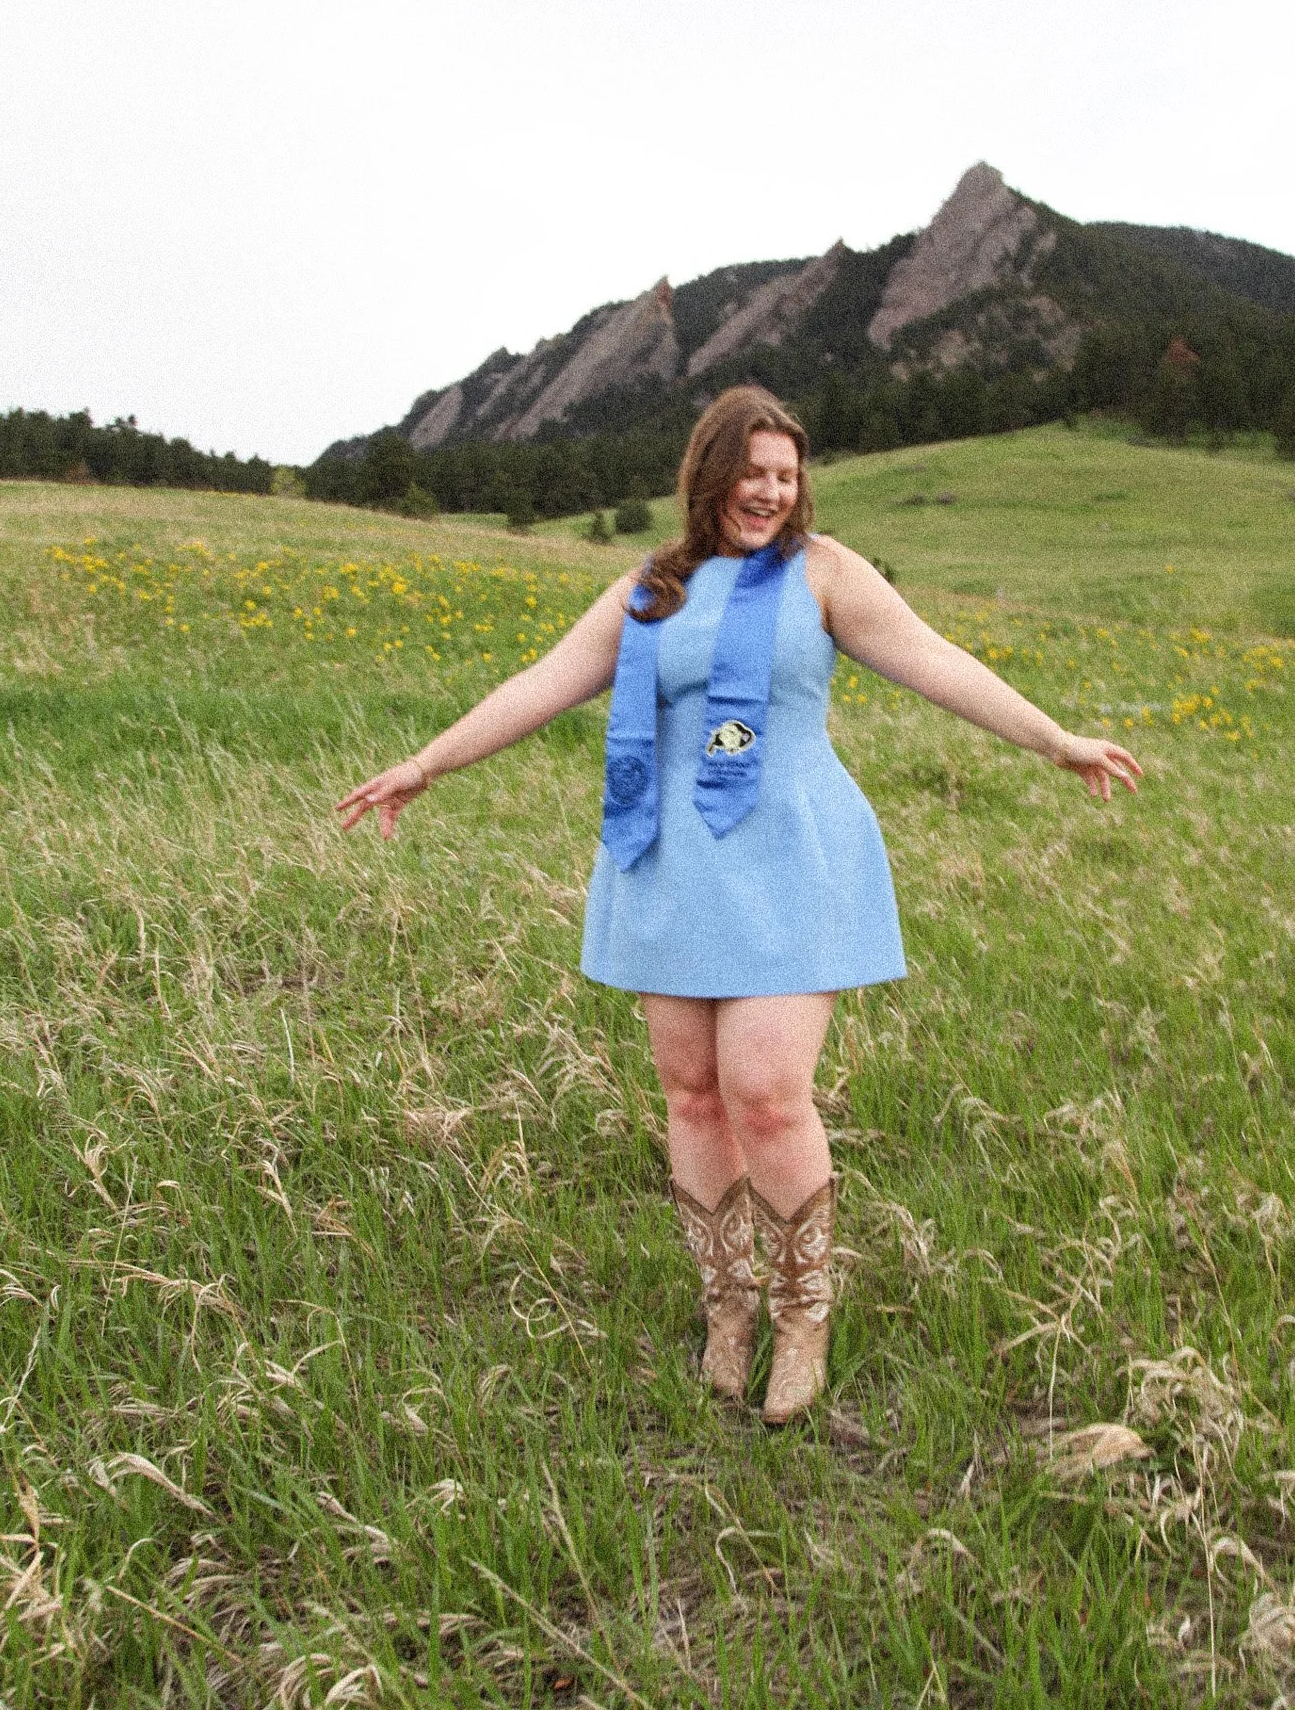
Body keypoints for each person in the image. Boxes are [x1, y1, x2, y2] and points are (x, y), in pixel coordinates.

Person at [337, 387, 1141, 1425]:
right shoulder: (650, 590)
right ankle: (728, 1302)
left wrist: (1053, 738)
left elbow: (933, 660)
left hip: (789, 856)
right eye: (752, 471)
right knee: (691, 1094)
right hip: (669, 860)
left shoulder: (822, 574)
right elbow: (545, 679)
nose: (770, 491)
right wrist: (425, 762)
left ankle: (802, 1312)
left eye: (786, 473)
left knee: (763, 1087)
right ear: (707, 475)